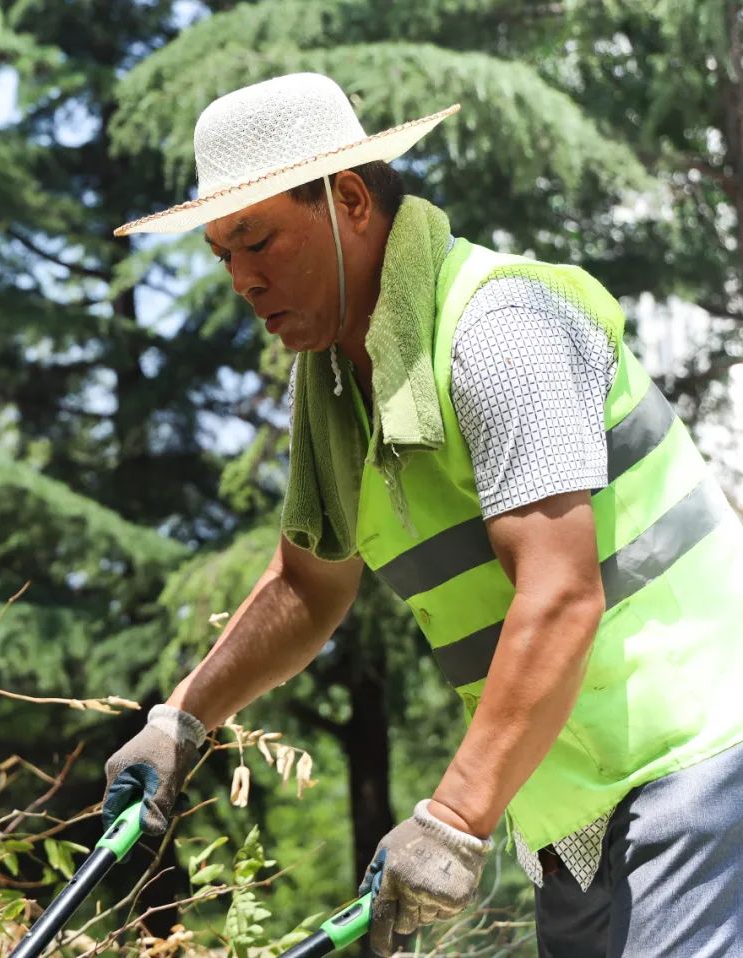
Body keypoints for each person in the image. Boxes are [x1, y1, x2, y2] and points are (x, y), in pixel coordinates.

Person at [101, 73, 743, 957]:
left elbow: (560, 596)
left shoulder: (498, 328)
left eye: (258, 239)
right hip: (574, 808)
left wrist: (452, 820)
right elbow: (307, 586)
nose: (242, 279)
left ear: (351, 201)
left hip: (704, 754)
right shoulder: (334, 384)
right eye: (222, 254)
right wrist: (182, 719)